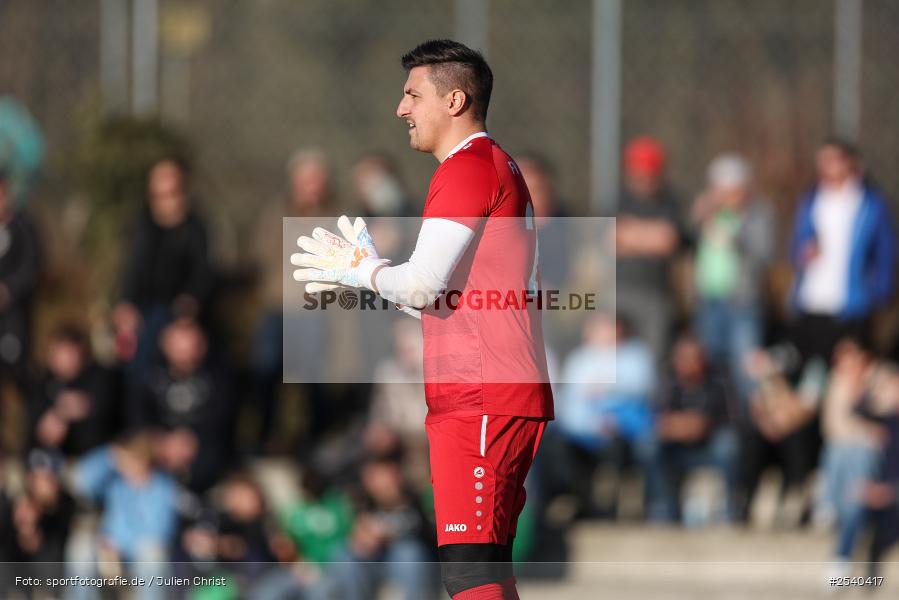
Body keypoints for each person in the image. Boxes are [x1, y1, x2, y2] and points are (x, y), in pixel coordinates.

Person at [291, 39, 553, 600]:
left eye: (412, 94)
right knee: (482, 572)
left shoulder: (467, 168)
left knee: (470, 575)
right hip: (484, 393)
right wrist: (367, 270)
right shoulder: (487, 165)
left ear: (455, 100)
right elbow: (432, 299)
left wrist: (366, 272)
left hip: (483, 396)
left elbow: (418, 285)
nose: (400, 108)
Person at [789, 138, 895, 364]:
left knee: (849, 370)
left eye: (832, 160)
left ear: (849, 163)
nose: (825, 166)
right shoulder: (811, 200)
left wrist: (878, 292)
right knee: (813, 371)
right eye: (822, 161)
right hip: (813, 299)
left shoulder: (870, 203)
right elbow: (797, 245)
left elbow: (885, 252)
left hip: (852, 305)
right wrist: (804, 253)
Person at [113, 156, 214, 379]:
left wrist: (190, 304)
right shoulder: (142, 226)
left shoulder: (196, 229)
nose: (165, 201)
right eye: (158, 194)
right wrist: (125, 304)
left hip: (179, 312)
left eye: (171, 192)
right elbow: (132, 270)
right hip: (142, 310)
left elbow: (203, 275)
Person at [691, 154, 775, 406]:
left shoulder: (759, 213)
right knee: (711, 368)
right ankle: (717, 420)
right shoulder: (707, 213)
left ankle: (748, 428)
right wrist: (699, 216)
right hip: (708, 300)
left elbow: (764, 252)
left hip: (742, 304)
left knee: (746, 371)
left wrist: (734, 238)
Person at [127, 317, 236, 493]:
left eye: (191, 347)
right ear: (166, 345)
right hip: (158, 440)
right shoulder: (149, 374)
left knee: (210, 460)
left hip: (199, 445)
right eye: (179, 348)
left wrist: (189, 439)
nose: (185, 355)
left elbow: (221, 417)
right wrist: (162, 440)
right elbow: (137, 413)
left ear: (202, 346)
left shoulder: (219, 375)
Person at [648, 332, 738, 524]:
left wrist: (703, 425)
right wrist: (684, 426)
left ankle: (730, 509)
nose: (689, 363)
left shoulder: (718, 379)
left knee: (728, 444)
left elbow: (730, 419)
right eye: (683, 358)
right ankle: (662, 508)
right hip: (674, 449)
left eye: (694, 358)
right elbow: (657, 420)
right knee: (646, 445)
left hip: (709, 447)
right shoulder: (667, 380)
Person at [615, 137, 686, 361]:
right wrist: (651, 235)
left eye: (649, 172)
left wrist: (630, 234)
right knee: (615, 358)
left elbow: (668, 241)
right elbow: (611, 238)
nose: (643, 178)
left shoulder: (670, 202)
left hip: (656, 294)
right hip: (619, 291)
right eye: (638, 171)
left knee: (652, 360)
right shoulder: (618, 200)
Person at [0, 167, 44, 448]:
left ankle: (31, 443)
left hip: (14, 320)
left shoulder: (24, 227)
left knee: (19, 377)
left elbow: (33, 267)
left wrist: (8, 290)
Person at [28, 323, 115, 457]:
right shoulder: (44, 382)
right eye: (55, 352)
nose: (59, 358)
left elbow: (103, 417)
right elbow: (35, 430)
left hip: (97, 453)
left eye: (66, 352)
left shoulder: (100, 377)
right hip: (53, 457)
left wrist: (70, 411)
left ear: (80, 351)